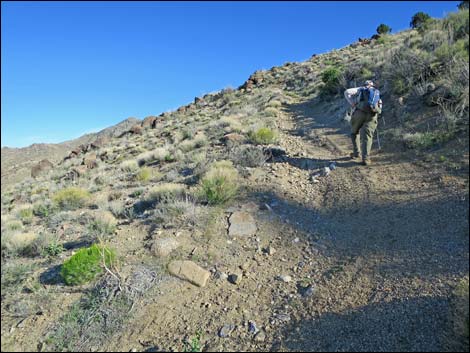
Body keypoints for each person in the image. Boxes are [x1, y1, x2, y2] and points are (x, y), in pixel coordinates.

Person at [344, 80, 381, 166]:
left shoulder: (361, 89)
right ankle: (366, 159)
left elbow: (347, 92)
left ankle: (356, 153)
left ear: (365, 85)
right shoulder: (376, 92)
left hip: (359, 113)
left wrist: (352, 103)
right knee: (367, 137)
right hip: (372, 115)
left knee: (354, 132)